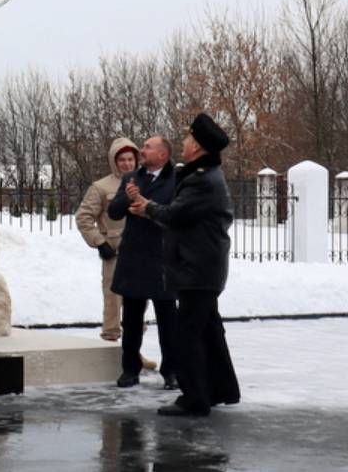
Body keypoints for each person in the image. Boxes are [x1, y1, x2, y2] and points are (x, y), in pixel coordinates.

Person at [135, 113, 241, 417]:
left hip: (197, 269)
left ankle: (195, 399)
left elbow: (176, 215)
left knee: (188, 334)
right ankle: (222, 389)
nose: (183, 143)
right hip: (202, 268)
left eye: (187, 139)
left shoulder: (203, 180)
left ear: (197, 147)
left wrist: (147, 208)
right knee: (208, 330)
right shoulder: (203, 176)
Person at [107, 135, 179, 388]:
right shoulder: (131, 178)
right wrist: (127, 197)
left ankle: (171, 371)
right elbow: (113, 212)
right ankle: (130, 369)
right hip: (134, 257)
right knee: (132, 319)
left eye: (148, 147)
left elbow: (178, 215)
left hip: (163, 259)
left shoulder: (177, 179)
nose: (142, 150)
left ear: (163, 155)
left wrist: (150, 209)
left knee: (168, 320)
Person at [75, 137, 138, 342]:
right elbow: (83, 217)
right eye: (122, 160)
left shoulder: (143, 183)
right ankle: (110, 340)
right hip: (114, 251)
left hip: (140, 250)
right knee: (113, 300)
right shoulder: (101, 187)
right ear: (114, 161)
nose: (127, 164)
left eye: (130, 159)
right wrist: (99, 242)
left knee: (138, 303)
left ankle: (132, 350)